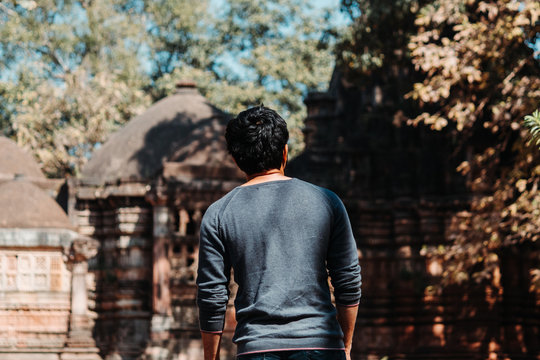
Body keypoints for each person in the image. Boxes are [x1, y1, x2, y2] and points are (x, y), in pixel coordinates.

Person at [196, 105, 361, 360]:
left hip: (258, 348)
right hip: (323, 344)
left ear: (236, 159)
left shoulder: (219, 214)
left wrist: (211, 359)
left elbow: (212, 296)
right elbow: (347, 280)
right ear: (285, 152)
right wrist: (345, 345)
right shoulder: (327, 202)